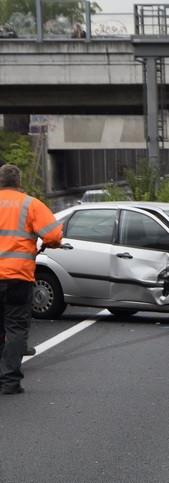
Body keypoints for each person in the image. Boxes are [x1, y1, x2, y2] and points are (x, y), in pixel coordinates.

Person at [0, 164, 64, 394]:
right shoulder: (29, 204)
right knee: (16, 328)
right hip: (18, 277)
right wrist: (51, 243)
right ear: (19, 183)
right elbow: (54, 234)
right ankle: (9, 382)